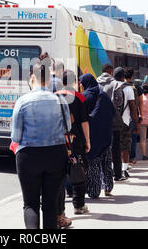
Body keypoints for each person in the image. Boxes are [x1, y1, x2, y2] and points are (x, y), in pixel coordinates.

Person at [11, 54, 71, 229]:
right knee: (51, 204)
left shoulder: (22, 101)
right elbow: (68, 126)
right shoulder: (60, 100)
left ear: (32, 78)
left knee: (30, 203)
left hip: (28, 155)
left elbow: (15, 136)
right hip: (56, 154)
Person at [56, 70, 91, 217]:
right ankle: (79, 205)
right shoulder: (79, 97)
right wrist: (88, 141)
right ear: (74, 82)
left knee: (59, 176)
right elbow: (84, 122)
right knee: (78, 172)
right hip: (76, 142)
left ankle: (60, 210)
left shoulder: (55, 96)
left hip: (58, 142)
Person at [80, 73, 116, 198]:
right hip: (106, 134)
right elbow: (113, 112)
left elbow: (82, 118)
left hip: (92, 136)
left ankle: (94, 191)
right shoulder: (104, 95)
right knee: (106, 161)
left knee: (93, 162)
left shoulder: (85, 97)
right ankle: (108, 187)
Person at [111, 67, 139, 181]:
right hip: (125, 121)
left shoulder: (111, 86)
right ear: (123, 76)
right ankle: (124, 169)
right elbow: (132, 107)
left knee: (113, 146)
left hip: (111, 121)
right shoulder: (128, 88)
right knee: (125, 146)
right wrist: (136, 123)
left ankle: (113, 169)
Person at [125, 68, 143, 166]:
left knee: (123, 138)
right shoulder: (136, 87)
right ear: (132, 76)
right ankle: (131, 158)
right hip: (133, 115)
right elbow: (141, 102)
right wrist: (141, 114)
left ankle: (124, 159)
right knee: (133, 138)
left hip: (122, 116)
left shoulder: (119, 86)